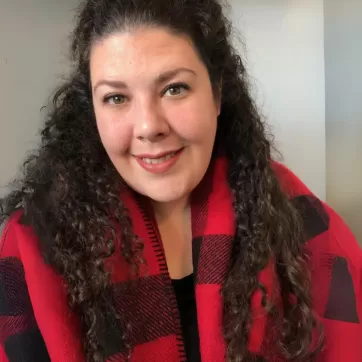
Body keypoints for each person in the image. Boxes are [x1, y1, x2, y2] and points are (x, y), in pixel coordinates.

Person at [0, 0, 361, 361]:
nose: (148, 127)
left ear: (217, 94)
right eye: (116, 98)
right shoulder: (35, 244)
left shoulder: (298, 218)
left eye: (174, 89)